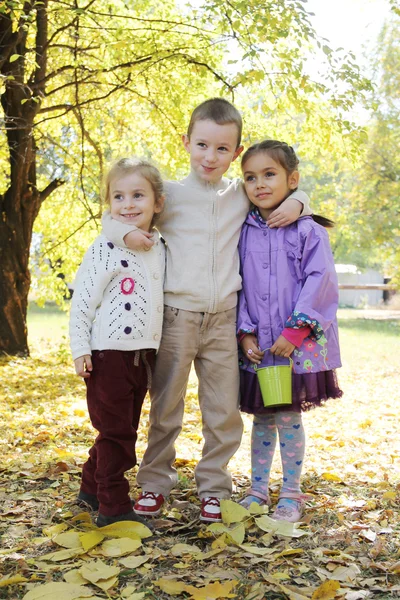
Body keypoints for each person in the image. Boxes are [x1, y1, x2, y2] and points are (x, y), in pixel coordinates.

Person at [101, 99, 312, 523]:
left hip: (224, 320)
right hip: (176, 316)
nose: (210, 157)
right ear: (186, 143)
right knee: (166, 408)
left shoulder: (241, 195)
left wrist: (301, 201)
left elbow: (284, 189)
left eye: (221, 149)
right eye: (202, 145)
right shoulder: (169, 196)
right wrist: (126, 234)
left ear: (236, 153)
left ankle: (214, 487)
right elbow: (114, 216)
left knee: (223, 411)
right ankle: (156, 483)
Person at [237, 140, 342, 522]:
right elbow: (238, 283)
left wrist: (296, 331)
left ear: (292, 179)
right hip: (259, 348)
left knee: (288, 416)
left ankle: (292, 493)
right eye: (250, 177)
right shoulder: (243, 230)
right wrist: (244, 332)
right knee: (263, 417)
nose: (259, 184)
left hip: (295, 346)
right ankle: (257, 489)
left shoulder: (308, 230)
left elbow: (321, 281)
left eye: (269, 174)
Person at [69, 157, 165, 527]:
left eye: (138, 195)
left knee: (120, 429)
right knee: (116, 434)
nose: (128, 204)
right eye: (119, 197)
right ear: (109, 204)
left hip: (141, 358)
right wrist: (80, 349)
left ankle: (90, 489)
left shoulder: (160, 245)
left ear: (157, 202)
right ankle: (113, 508)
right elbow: (82, 302)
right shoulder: (105, 247)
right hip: (107, 355)